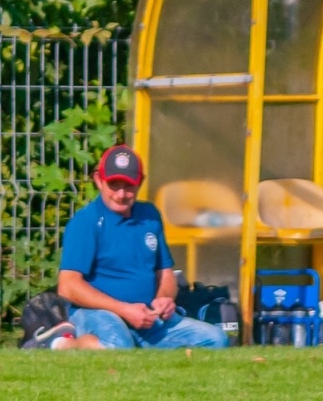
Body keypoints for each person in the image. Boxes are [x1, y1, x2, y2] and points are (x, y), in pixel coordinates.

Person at [52, 145, 229, 350]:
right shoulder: (86, 222)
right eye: (114, 185)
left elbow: (165, 273)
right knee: (117, 346)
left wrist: (163, 299)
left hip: (147, 317)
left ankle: (142, 347)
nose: (121, 194)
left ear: (140, 183)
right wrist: (124, 310)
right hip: (97, 313)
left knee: (216, 339)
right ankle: (64, 344)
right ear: (99, 180)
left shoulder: (150, 215)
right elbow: (68, 286)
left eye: (128, 186)